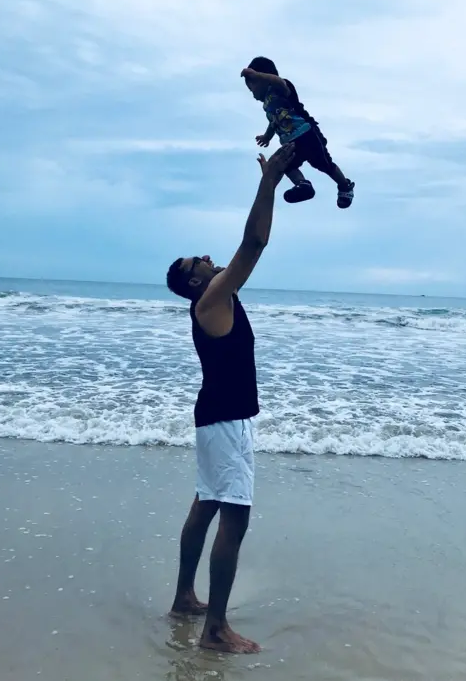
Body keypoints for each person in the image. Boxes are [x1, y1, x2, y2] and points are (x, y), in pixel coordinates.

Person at [165, 141, 295, 654]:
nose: (209, 257)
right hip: (226, 420)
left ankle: (183, 599)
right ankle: (215, 629)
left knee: (207, 503)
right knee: (234, 515)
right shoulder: (211, 297)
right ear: (194, 279)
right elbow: (255, 243)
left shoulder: (214, 296)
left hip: (214, 417)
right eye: (200, 260)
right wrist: (269, 184)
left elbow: (247, 248)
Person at [241, 56, 355, 209]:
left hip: (307, 134)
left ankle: (344, 185)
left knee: (324, 164)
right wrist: (267, 137)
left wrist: (256, 74)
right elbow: (274, 122)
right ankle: (303, 185)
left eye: (252, 88)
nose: (253, 95)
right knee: (286, 165)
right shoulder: (267, 105)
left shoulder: (281, 88)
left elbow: (279, 81)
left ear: (263, 80)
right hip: (291, 142)